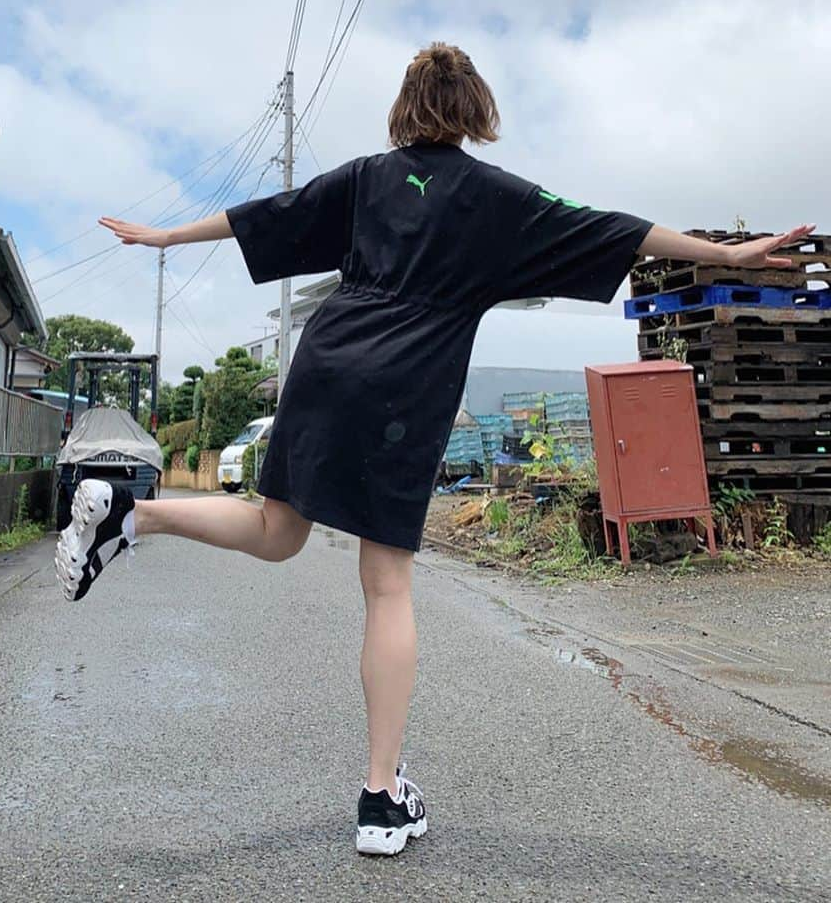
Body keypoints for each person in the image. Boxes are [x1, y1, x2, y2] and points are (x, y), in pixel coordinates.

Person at [55, 43, 815, 857]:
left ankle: (133, 514)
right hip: (403, 386)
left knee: (278, 530)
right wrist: (729, 256)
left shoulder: (366, 178)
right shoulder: (497, 198)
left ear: (405, 107)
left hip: (328, 354)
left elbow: (265, 214)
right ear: (475, 110)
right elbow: (616, 228)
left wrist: (167, 236)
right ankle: (382, 799)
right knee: (386, 585)